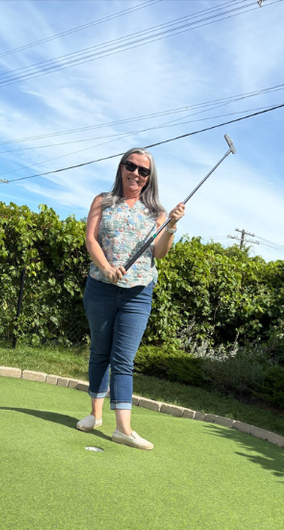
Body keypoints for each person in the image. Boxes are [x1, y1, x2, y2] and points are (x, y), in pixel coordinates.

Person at [80, 147, 186, 450]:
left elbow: (160, 253)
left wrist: (173, 225)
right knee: (100, 352)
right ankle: (95, 415)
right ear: (121, 167)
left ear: (150, 177)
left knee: (123, 359)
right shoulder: (103, 201)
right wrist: (106, 267)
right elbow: (91, 239)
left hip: (138, 292)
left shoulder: (158, 213)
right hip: (101, 287)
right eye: (131, 166)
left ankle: (123, 429)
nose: (136, 174)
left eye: (143, 171)